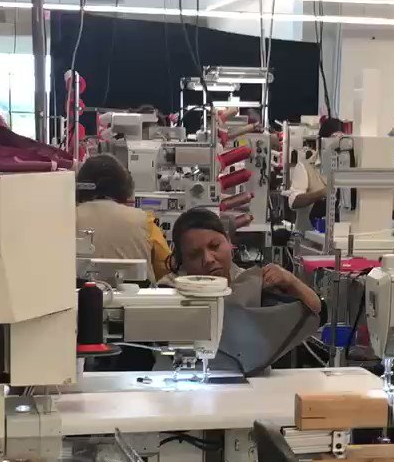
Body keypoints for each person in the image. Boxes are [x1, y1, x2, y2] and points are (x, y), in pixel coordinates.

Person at [165, 207, 322, 373]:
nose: (208, 259)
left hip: (252, 376)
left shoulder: (251, 282)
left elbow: (315, 306)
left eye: (215, 246)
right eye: (195, 255)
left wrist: (291, 280)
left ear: (228, 241)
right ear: (181, 260)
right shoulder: (169, 289)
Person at [75, 153, 170, 283]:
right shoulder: (144, 221)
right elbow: (167, 267)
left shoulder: (65, 219)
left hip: (78, 301)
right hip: (135, 301)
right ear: (125, 188)